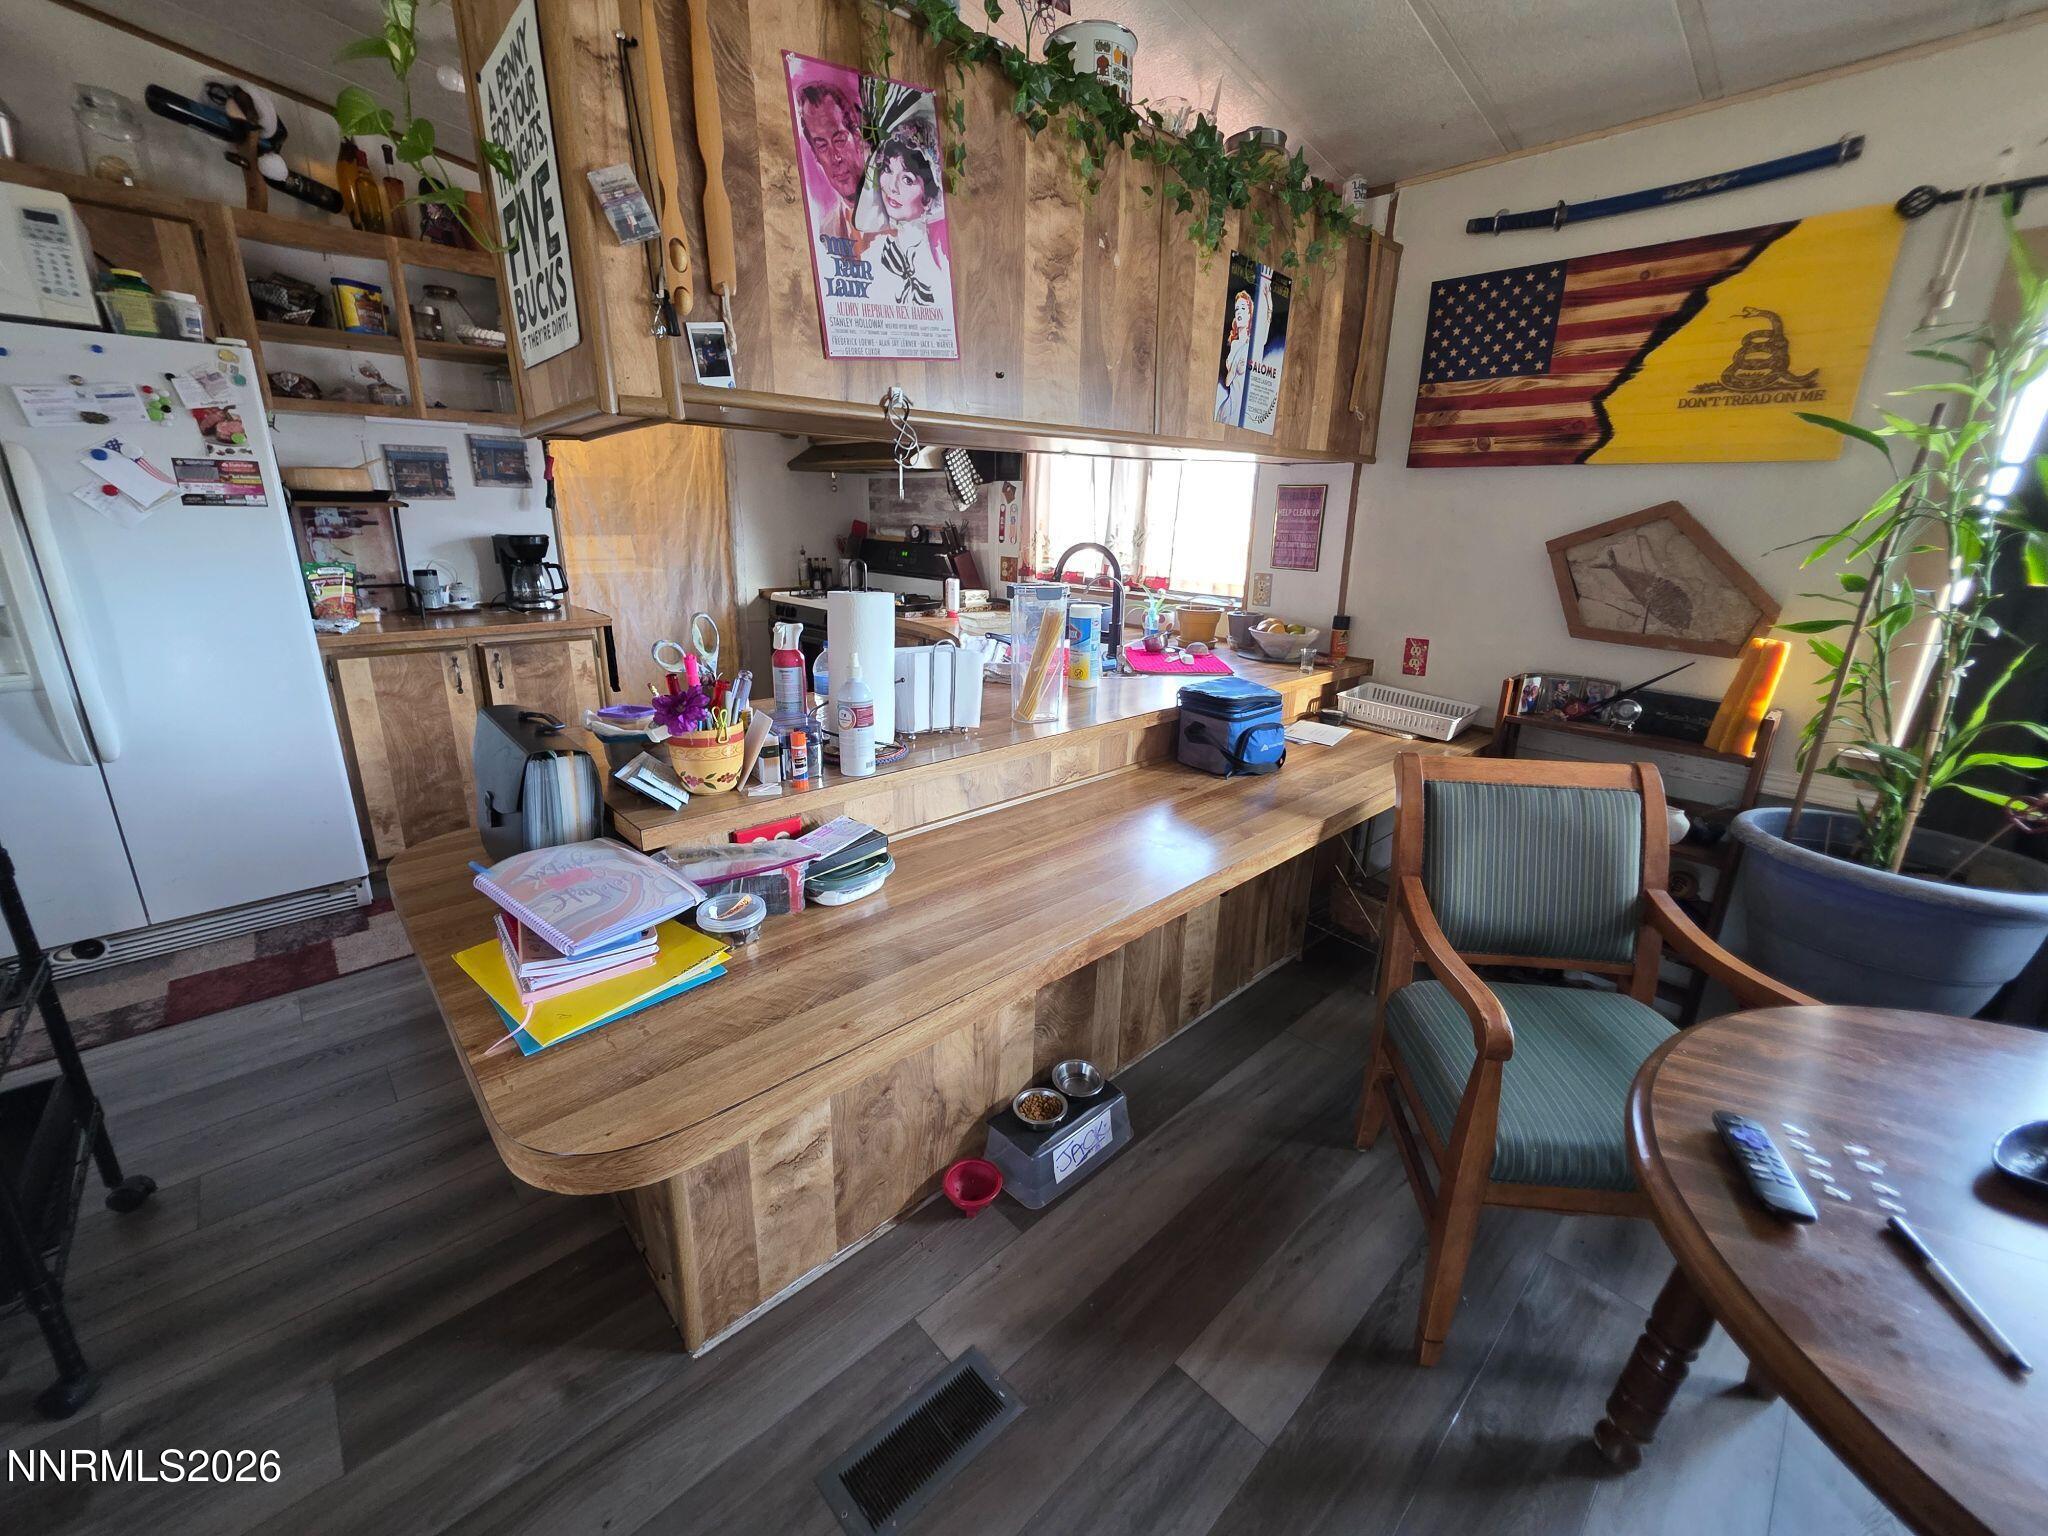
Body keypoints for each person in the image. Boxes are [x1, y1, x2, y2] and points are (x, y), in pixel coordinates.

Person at [795, 80, 866, 242]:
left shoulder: (897, 207)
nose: (835, 158)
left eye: (839, 140)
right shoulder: (825, 232)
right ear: (815, 155)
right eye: (822, 146)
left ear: (857, 137)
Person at [1216, 288, 1252, 423]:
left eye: (1243, 308)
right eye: (1237, 309)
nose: (1239, 312)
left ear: (1250, 313)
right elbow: (1227, 380)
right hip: (1229, 406)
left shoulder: (1253, 345)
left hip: (1243, 410)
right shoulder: (1235, 343)